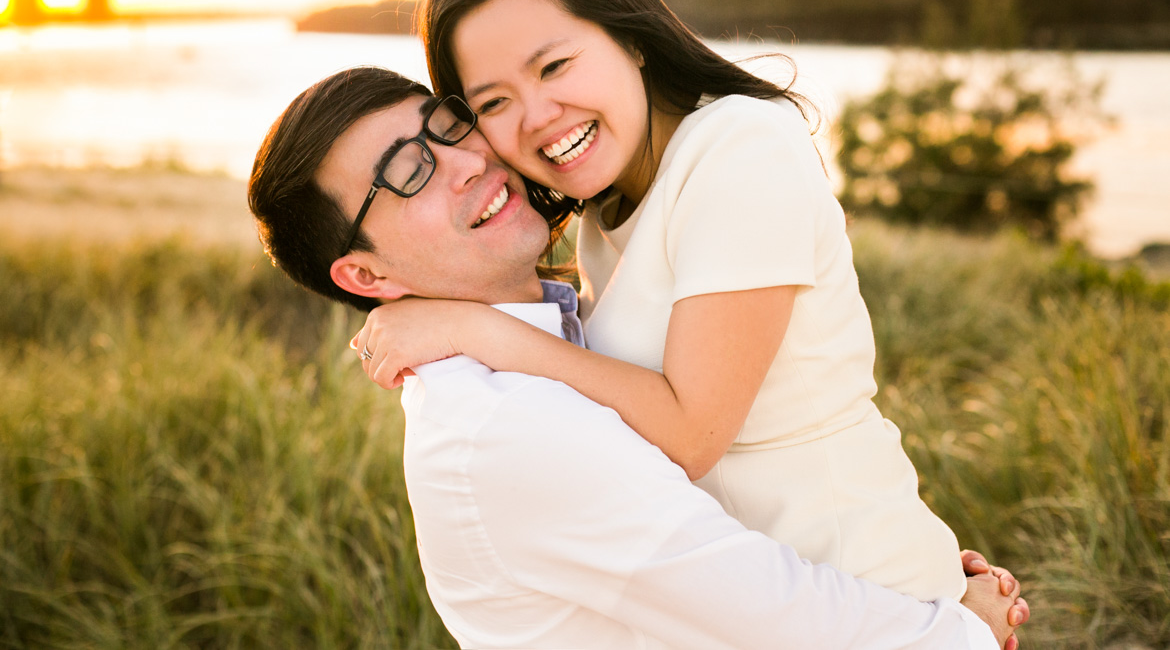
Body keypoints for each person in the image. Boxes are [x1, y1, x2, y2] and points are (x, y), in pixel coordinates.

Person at [248, 66, 1028, 649]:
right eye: (407, 173)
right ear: (367, 277)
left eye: (448, 126)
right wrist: (959, 628)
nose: (465, 160)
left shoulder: (569, 319)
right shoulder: (507, 428)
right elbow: (775, 616)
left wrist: (904, 560)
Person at [355, 0, 988, 604]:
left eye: (555, 65)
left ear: (630, 37)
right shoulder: (604, 211)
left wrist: (470, 329)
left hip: (867, 592)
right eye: (495, 102)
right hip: (765, 608)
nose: (536, 115)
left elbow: (691, 433)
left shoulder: (739, 146)